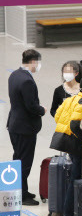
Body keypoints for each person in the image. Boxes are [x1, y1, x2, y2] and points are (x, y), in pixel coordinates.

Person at [51, 75, 82, 216]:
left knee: (75, 177)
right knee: (77, 178)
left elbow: (57, 116)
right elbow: (74, 125)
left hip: (67, 142)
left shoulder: (71, 99)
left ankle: (70, 211)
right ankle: (70, 213)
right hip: (77, 145)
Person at [7, 49, 46, 206]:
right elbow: (31, 106)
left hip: (15, 124)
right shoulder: (27, 81)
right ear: (33, 61)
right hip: (24, 127)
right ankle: (22, 196)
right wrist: (41, 110)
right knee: (24, 162)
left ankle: (21, 189)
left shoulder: (14, 75)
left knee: (18, 159)